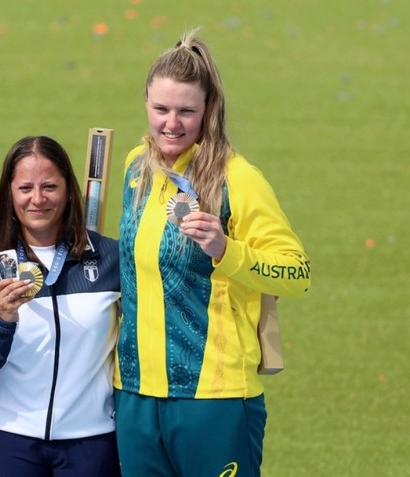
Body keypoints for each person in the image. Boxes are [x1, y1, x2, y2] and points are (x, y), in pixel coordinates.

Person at [114, 29, 311, 476]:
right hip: (135, 394)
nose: (172, 123)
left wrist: (226, 249)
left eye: (187, 111)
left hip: (215, 399)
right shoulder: (135, 169)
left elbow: (297, 273)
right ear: (145, 102)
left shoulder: (238, 179)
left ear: (209, 110)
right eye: (161, 109)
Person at [0, 136, 122, 477]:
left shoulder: (111, 259)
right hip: (8, 440)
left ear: (69, 189)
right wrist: (4, 320)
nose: (38, 199)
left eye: (50, 186)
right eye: (25, 188)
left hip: (91, 442)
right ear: (9, 193)